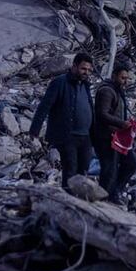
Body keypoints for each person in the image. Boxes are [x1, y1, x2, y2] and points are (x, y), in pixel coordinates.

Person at [30, 52, 95, 190]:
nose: (86, 72)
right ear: (74, 66)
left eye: (89, 70)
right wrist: (34, 130)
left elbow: (90, 108)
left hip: (85, 136)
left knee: (83, 168)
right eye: (83, 68)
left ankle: (79, 199)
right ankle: (68, 200)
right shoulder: (60, 82)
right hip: (67, 135)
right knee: (70, 168)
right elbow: (44, 106)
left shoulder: (85, 85)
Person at [92, 63, 136, 203]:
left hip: (117, 136)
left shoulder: (118, 91)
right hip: (105, 137)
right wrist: (122, 123)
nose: (125, 81)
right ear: (114, 76)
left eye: (127, 79)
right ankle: (102, 198)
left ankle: (114, 191)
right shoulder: (107, 91)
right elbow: (102, 114)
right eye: (123, 78)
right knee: (109, 168)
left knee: (130, 163)